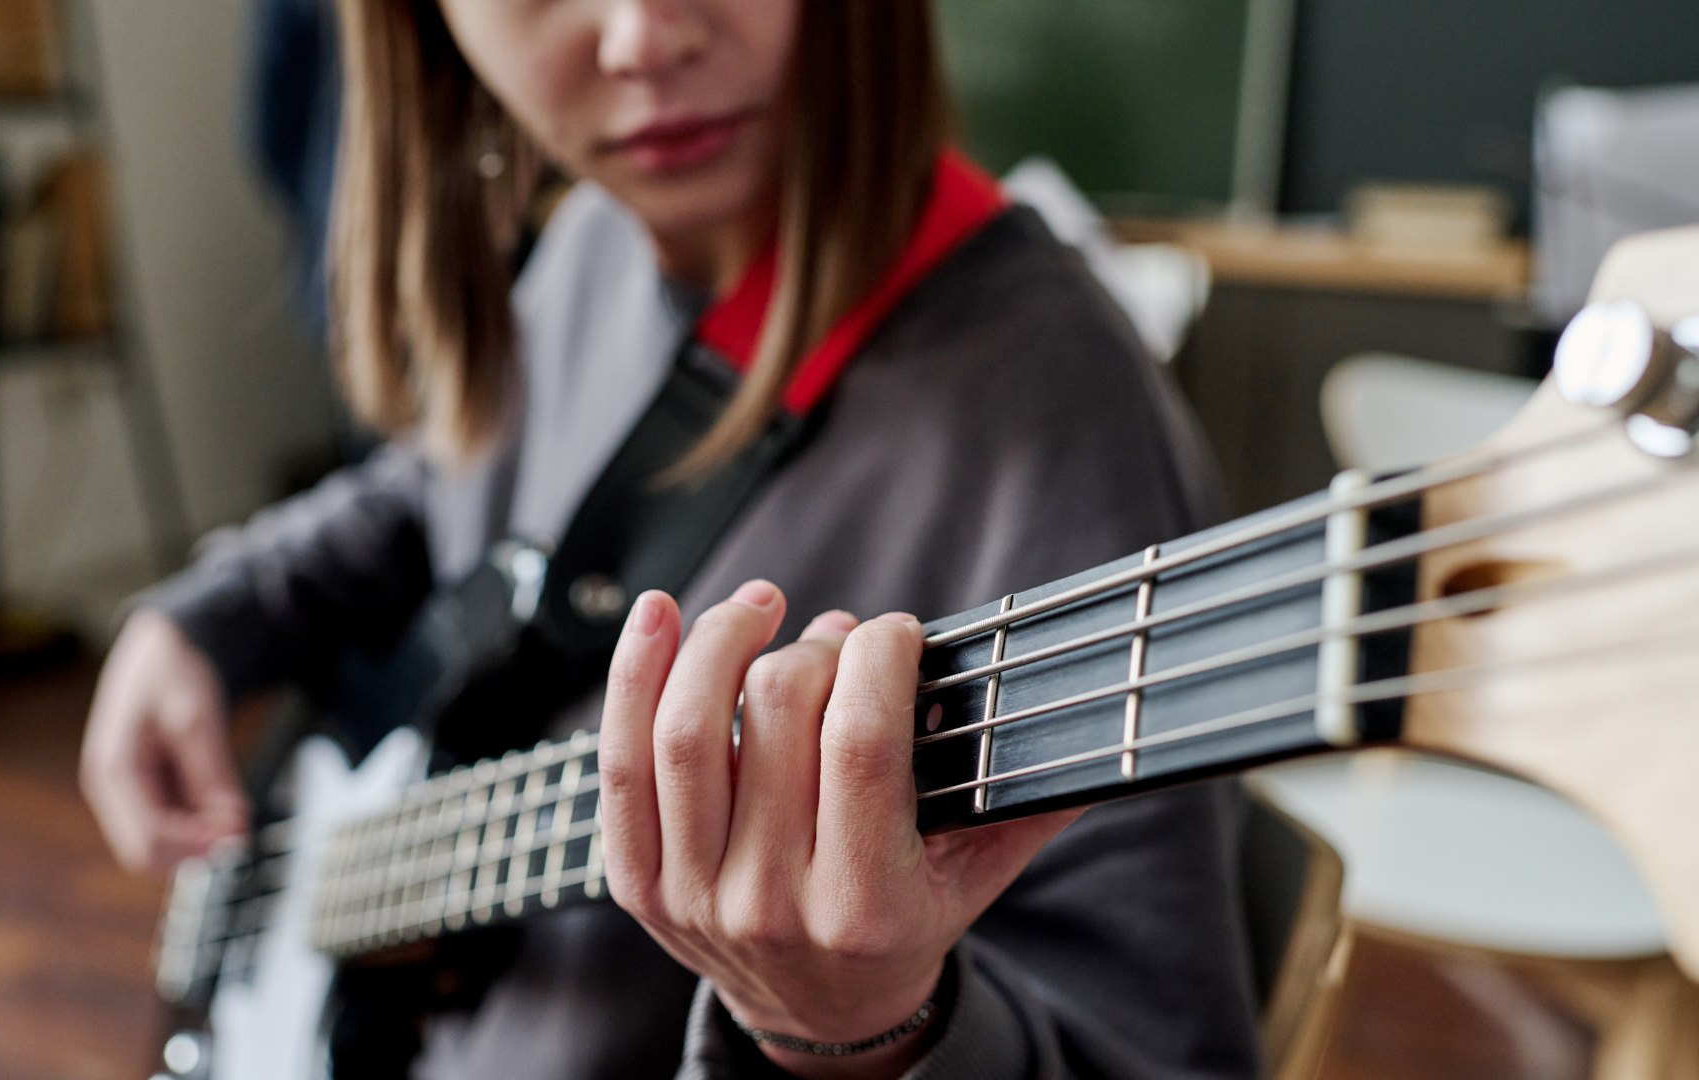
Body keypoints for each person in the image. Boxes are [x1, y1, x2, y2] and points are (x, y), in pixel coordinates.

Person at [79, 2, 1260, 1078]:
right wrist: (205, 616)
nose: (642, 36)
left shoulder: (1060, 411)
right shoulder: (594, 241)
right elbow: (439, 482)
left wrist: (862, 1032)